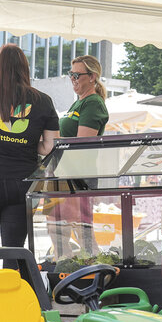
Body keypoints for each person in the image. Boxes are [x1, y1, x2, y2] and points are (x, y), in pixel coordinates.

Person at [0, 44, 59, 313]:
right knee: (13, 250)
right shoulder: (43, 101)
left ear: (0, 68)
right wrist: (27, 144)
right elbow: (50, 147)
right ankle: (8, 309)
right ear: (26, 68)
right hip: (21, 185)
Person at [50, 55, 109, 258]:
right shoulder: (79, 103)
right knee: (58, 230)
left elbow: (81, 144)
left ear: (92, 77)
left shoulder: (93, 103)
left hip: (77, 176)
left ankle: (93, 268)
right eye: (71, 74)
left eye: (77, 75)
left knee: (80, 231)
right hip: (63, 174)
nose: (73, 79)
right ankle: (67, 267)